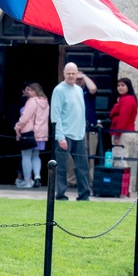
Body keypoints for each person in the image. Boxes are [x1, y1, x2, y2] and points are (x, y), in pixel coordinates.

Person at [50, 62, 91, 201]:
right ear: (64, 73)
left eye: (73, 73)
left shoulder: (79, 90)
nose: (71, 76)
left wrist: (83, 132)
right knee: (61, 166)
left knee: (82, 166)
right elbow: (56, 114)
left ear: (77, 73)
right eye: (68, 73)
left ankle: (84, 194)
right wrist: (60, 136)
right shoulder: (59, 90)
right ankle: (60, 194)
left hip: (79, 134)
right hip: (65, 134)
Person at [13, 82, 50, 189]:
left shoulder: (32, 101)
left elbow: (25, 116)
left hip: (30, 132)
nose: (27, 92)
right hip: (42, 133)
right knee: (36, 155)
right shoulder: (46, 102)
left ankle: (27, 180)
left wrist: (17, 127)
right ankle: (37, 177)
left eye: (30, 90)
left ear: (35, 91)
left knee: (26, 156)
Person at [66, 70, 98, 188]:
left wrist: (84, 76)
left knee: (90, 156)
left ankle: (88, 181)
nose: (78, 81)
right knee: (70, 156)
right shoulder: (68, 91)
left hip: (89, 127)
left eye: (80, 79)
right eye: (76, 78)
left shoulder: (86, 92)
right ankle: (72, 180)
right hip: (72, 127)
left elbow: (93, 89)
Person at [108, 77, 138, 189]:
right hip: (124, 132)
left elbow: (123, 118)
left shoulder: (127, 100)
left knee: (120, 160)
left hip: (123, 133)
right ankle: (123, 187)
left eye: (123, 85)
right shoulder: (124, 99)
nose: (120, 88)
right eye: (118, 85)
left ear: (128, 87)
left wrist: (117, 134)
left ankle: (123, 188)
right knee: (121, 159)